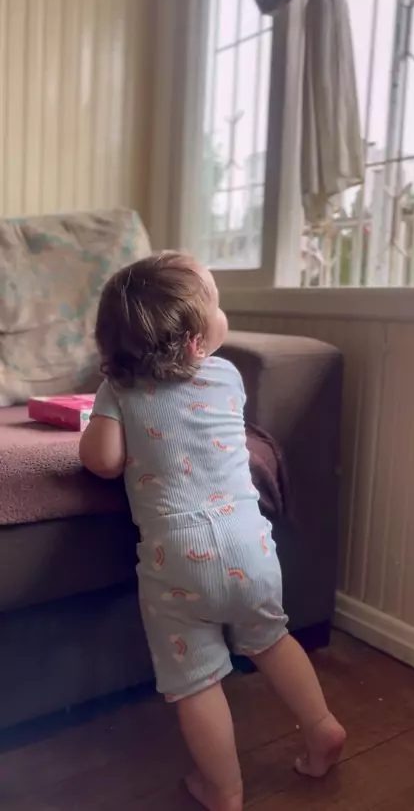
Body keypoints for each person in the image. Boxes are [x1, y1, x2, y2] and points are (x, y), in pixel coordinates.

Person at [79, 252, 345, 811]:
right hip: (251, 544)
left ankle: (222, 790)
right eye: (217, 306)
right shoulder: (227, 377)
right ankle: (321, 725)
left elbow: (102, 460)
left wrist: (105, 415)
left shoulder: (119, 391)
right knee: (272, 639)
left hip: (179, 561)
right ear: (198, 343)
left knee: (195, 680)